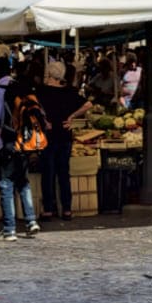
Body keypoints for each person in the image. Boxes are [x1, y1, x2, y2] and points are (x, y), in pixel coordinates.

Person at [0, 56, 40, 241]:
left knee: (6, 184)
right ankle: (31, 221)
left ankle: (9, 229)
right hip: (23, 141)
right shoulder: (20, 87)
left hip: (6, 142)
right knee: (23, 182)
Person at [38, 60, 93, 221]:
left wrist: (43, 120)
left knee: (48, 173)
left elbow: (34, 107)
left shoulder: (42, 91)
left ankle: (48, 209)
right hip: (64, 135)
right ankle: (67, 209)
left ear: (50, 75)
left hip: (48, 136)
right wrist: (72, 117)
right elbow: (88, 104)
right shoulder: (69, 92)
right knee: (63, 173)